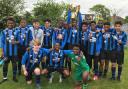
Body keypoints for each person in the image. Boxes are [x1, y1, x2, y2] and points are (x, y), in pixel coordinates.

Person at [0, 17, 19, 84]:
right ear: (7, 23)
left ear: (14, 23)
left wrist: (15, 42)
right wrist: (2, 52)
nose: (10, 24)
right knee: (5, 65)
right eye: (9, 23)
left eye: (11, 23)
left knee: (14, 65)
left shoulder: (17, 31)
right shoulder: (3, 31)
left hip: (14, 53)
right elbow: (2, 42)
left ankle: (14, 77)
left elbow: (20, 41)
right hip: (6, 53)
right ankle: (5, 78)